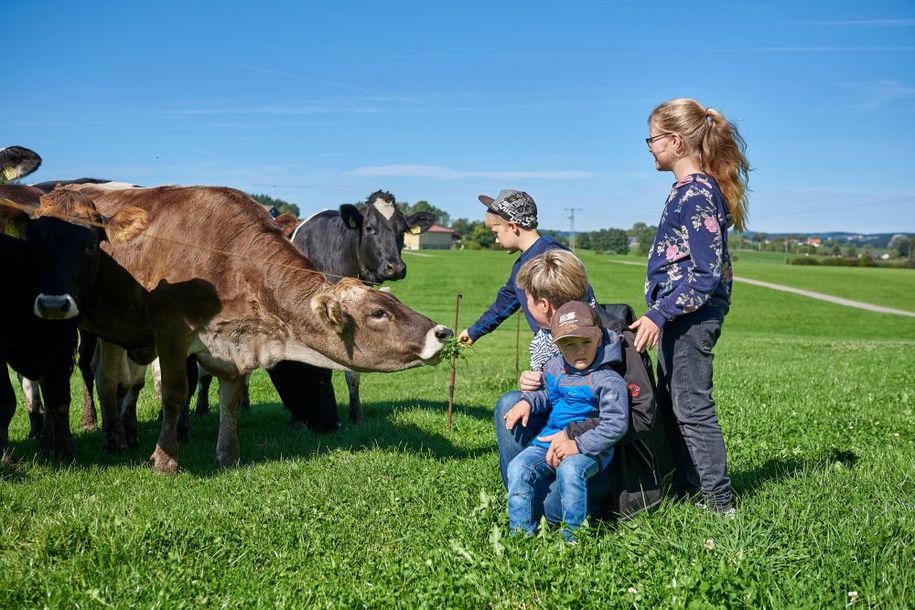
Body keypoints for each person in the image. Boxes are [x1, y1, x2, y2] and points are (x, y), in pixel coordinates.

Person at [629, 98, 750, 517]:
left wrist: (658, 314)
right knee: (673, 398)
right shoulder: (686, 190)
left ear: (676, 141)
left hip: (691, 315)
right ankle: (685, 486)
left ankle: (719, 503)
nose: (649, 147)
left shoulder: (697, 193)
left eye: (653, 138)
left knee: (691, 404)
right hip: (680, 314)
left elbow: (705, 274)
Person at [504, 301, 629, 541]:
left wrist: (578, 446)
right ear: (558, 346)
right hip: (549, 441)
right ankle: (520, 534)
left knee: (571, 470)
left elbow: (616, 424)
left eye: (586, 342)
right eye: (569, 344)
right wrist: (528, 402)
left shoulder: (608, 380)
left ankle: (573, 536)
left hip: (589, 448)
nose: (579, 351)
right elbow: (547, 396)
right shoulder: (555, 370)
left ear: (600, 338)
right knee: (518, 467)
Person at [457, 189, 593, 366]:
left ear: (513, 227)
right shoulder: (521, 265)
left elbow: (581, 300)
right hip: (549, 350)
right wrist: (474, 332)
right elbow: (504, 303)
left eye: (495, 233)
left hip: (574, 349)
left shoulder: (552, 256)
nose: (496, 241)